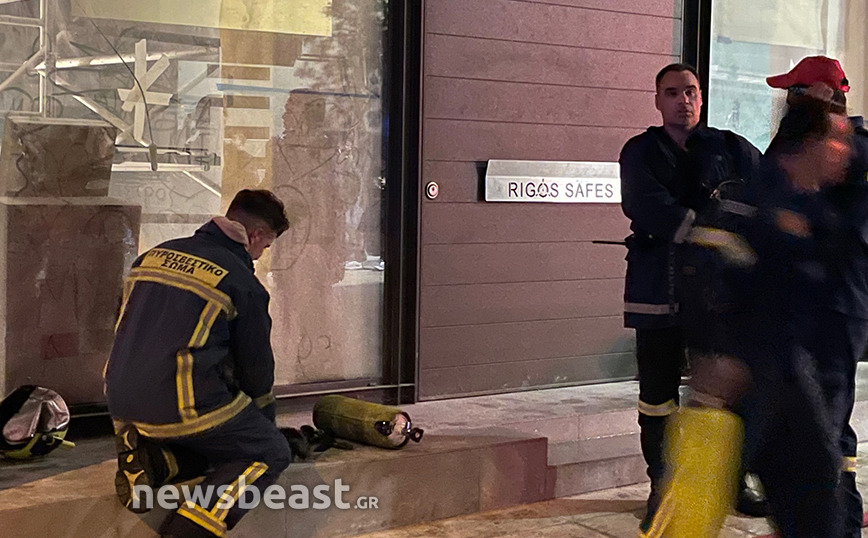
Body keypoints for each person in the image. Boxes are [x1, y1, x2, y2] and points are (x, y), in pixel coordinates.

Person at [618, 63, 762, 534]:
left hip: (717, 295)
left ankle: (732, 481)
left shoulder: (731, 149)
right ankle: (661, 489)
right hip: (657, 288)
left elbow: (762, 193)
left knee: (724, 392)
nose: (685, 100)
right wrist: (707, 230)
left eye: (692, 91)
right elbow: (644, 204)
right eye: (673, 92)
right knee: (657, 398)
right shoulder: (640, 152)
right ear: (657, 100)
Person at [105, 189, 292, 538]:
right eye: (265, 247)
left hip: (120, 401)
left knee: (220, 444)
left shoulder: (151, 257)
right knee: (268, 451)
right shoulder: (242, 283)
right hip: (182, 404)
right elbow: (256, 372)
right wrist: (265, 425)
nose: (260, 255)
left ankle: (155, 462)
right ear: (256, 236)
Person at [766, 56, 868, 538]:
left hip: (835, 305)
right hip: (808, 305)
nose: (789, 101)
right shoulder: (814, 141)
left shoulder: (852, 149)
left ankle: (840, 521)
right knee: (812, 419)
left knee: (826, 421)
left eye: (797, 92)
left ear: (824, 95)